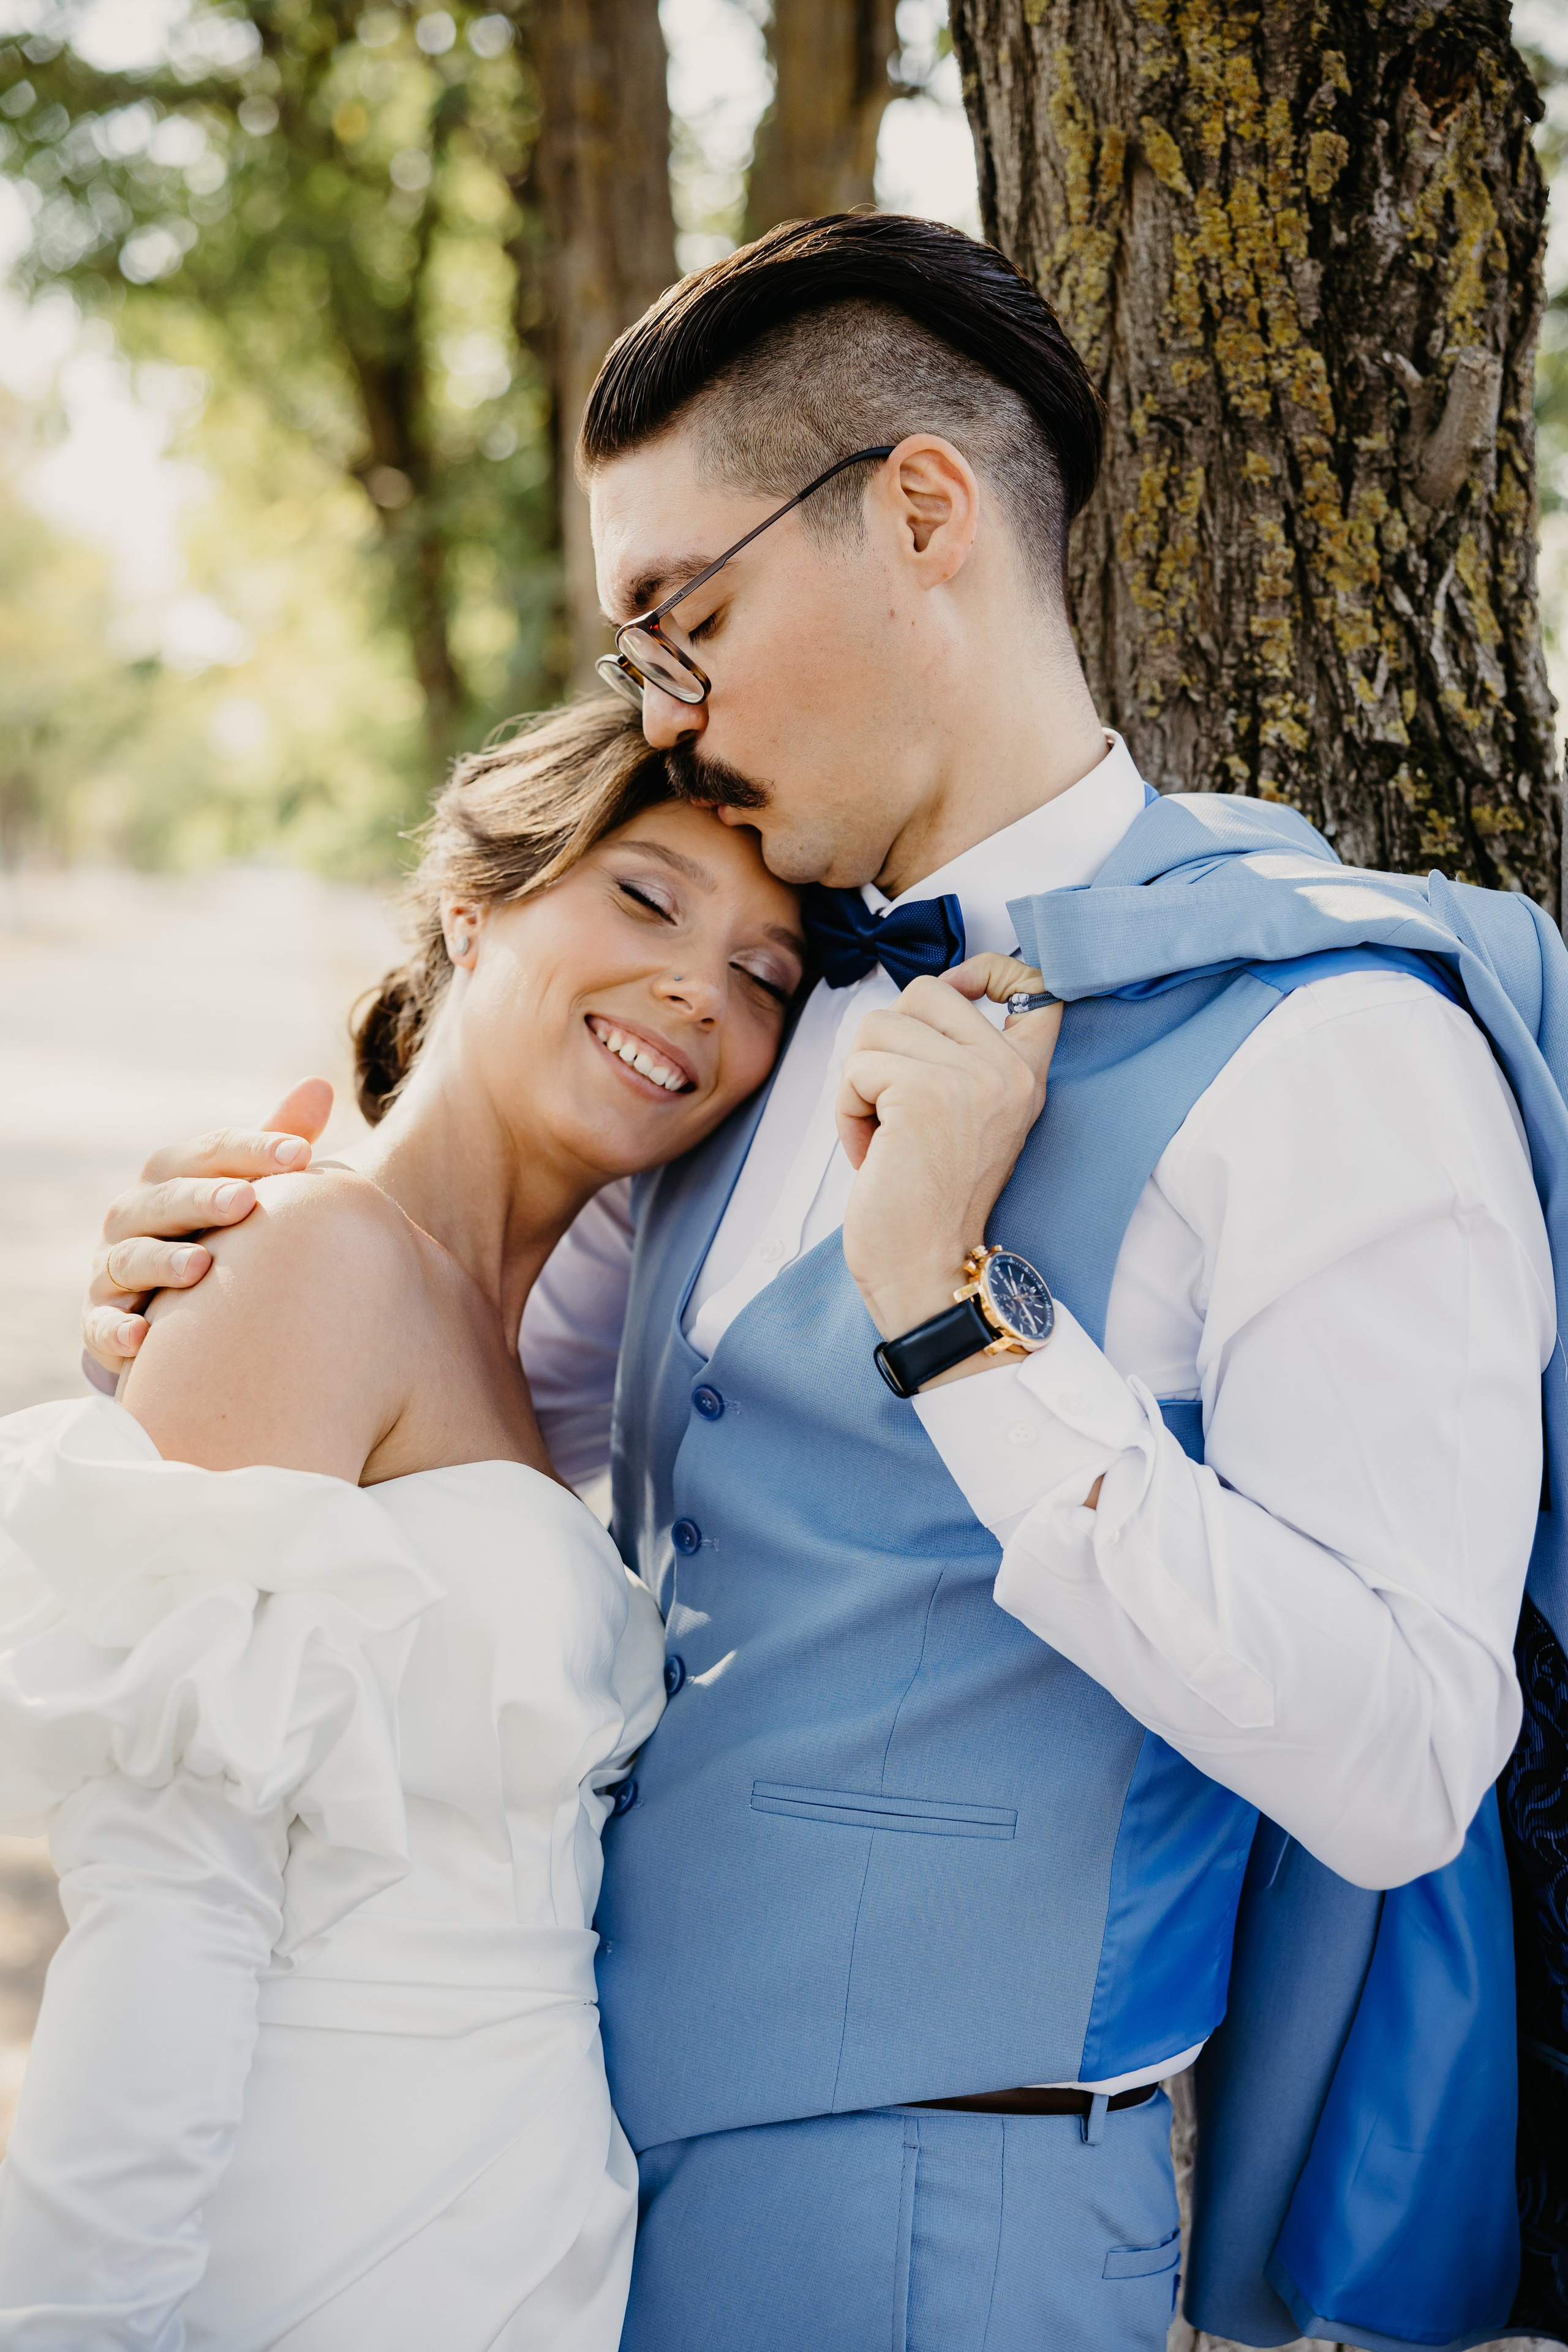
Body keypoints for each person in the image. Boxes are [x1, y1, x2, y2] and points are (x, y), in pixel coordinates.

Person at [79, 216, 1559, 2351]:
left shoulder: (1328, 1048)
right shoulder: (751, 1027)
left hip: (937, 2223)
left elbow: (1415, 1753)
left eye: (686, 617)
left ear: (921, 515)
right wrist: (193, 1328)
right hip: (546, 2193)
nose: (666, 704)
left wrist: (961, 1327)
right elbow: (450, 1454)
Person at [0, 698, 815, 2349]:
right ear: (478, 905)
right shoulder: (311, 1255)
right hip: (317, 2229)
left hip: (515, 2238)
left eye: (765, 975)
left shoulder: (541, 1373)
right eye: (647, 899)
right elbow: (165, 1902)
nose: (695, 989)